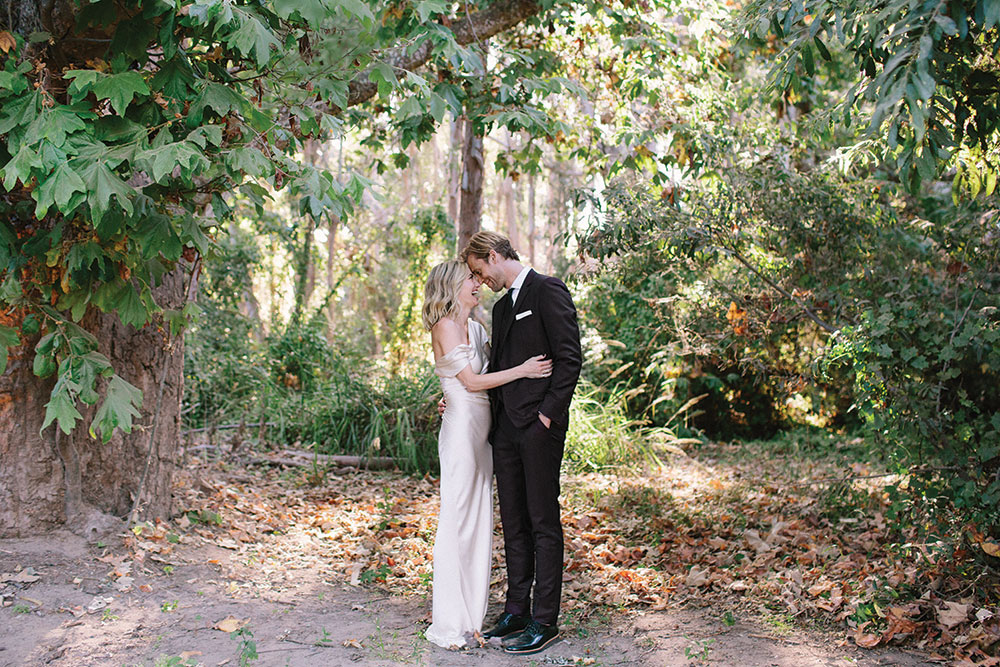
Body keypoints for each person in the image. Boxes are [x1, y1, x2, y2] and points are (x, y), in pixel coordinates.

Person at [421, 259, 553, 650]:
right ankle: (449, 619)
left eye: (477, 279)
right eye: (470, 281)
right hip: (461, 431)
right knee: (457, 519)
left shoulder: (476, 328)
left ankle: (470, 614)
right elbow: (472, 381)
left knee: (479, 521)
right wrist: (525, 371)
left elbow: (493, 367)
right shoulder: (444, 326)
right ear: (451, 286)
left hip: (485, 433)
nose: (478, 285)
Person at [462, 232, 582, 656]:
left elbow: (570, 358)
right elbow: (497, 366)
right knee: (513, 522)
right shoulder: (499, 308)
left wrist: (548, 415)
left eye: (480, 270)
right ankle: (516, 610)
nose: (481, 280)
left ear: (493, 256)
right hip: (506, 431)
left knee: (543, 522)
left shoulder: (547, 289)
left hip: (539, 428)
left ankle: (544, 620)